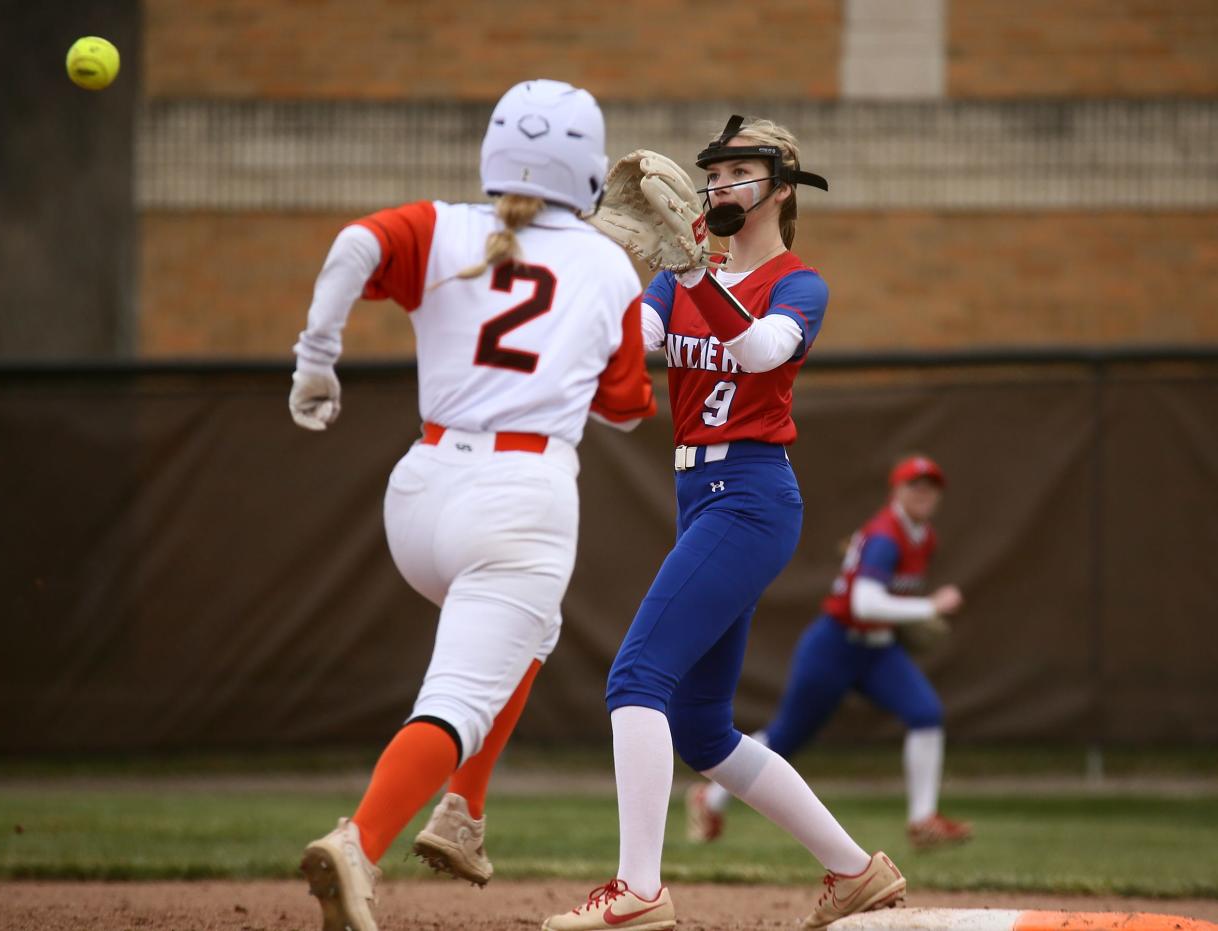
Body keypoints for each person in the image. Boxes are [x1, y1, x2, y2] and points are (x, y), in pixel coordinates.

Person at [288, 78, 656, 931]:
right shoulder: (607, 265)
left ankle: (464, 811)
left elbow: (352, 245)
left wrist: (317, 356)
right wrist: (641, 318)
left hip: (418, 493)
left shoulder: (446, 225)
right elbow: (628, 409)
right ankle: (359, 842)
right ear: (589, 171)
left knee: (534, 631)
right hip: (518, 504)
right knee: (454, 700)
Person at [543, 116, 905, 931]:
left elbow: (759, 353)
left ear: (781, 187)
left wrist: (693, 271)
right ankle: (855, 872)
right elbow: (632, 338)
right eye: (716, 169)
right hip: (698, 499)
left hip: (751, 495)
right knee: (703, 730)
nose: (720, 182)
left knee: (636, 678)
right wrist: (594, 272)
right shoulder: (678, 278)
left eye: (743, 169)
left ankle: (639, 889)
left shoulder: (797, 283)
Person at [687, 454, 971, 851]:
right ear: (896, 490)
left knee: (926, 715)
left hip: (876, 650)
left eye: (931, 487)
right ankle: (710, 798)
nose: (923, 494)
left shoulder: (923, 537)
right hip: (835, 646)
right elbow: (864, 605)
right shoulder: (886, 537)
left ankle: (923, 820)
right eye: (914, 485)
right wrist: (928, 607)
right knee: (787, 734)